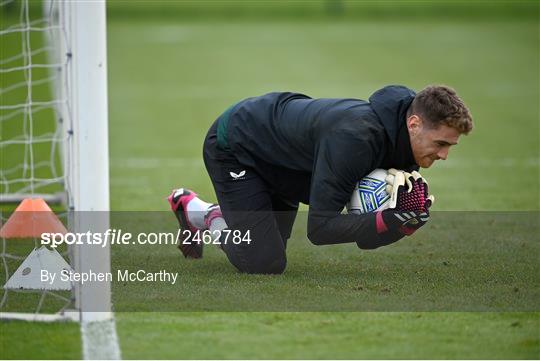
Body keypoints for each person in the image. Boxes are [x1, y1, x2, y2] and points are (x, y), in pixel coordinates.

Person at [168, 85, 473, 274]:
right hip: (236, 145)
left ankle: (209, 213)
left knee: (268, 253)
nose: (444, 155)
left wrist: (401, 225)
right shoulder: (356, 139)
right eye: (441, 144)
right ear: (415, 124)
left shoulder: (404, 148)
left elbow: (365, 237)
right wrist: (387, 220)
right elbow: (320, 228)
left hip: (286, 165)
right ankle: (202, 212)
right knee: (262, 262)